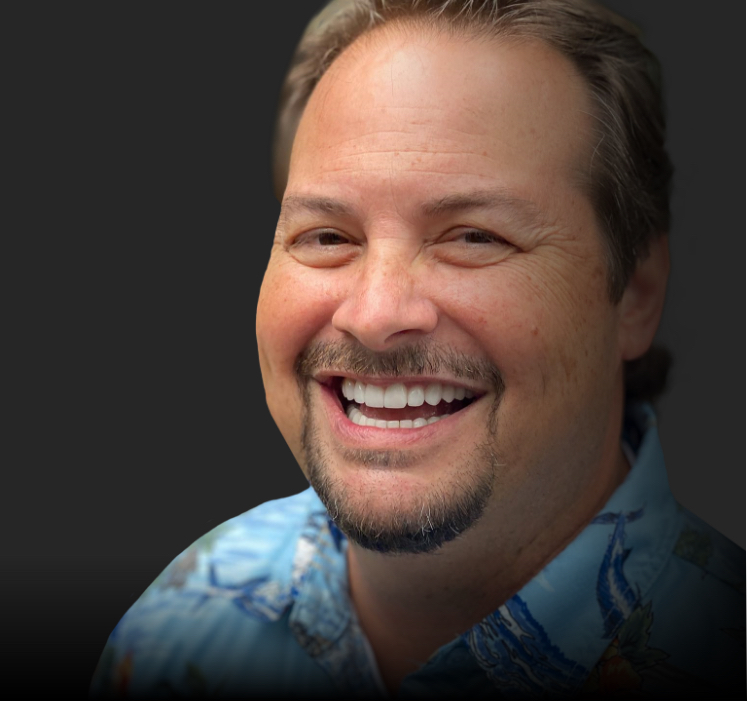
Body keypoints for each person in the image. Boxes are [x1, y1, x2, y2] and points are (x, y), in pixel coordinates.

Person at [91, 0, 745, 697]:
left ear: (637, 292)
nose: (375, 315)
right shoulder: (174, 625)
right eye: (327, 236)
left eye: (473, 237)